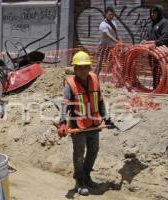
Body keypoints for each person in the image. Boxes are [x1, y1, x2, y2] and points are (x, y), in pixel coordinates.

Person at [58, 51, 112, 195]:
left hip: (94, 123)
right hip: (78, 125)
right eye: (79, 68)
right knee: (79, 154)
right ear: (74, 69)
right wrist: (63, 123)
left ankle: (87, 176)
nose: (82, 70)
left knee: (93, 151)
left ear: (89, 68)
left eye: (85, 67)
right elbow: (64, 104)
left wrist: (106, 117)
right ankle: (79, 181)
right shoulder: (70, 84)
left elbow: (100, 100)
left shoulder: (94, 79)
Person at [141, 5, 168, 89]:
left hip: (162, 52)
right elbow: (150, 37)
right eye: (151, 12)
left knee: (164, 71)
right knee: (155, 71)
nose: (152, 14)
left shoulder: (164, 22)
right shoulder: (152, 24)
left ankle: (163, 89)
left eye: (154, 12)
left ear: (159, 12)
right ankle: (156, 88)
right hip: (153, 53)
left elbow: (166, 36)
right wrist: (145, 41)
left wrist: (156, 43)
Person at [95, 6, 120, 76]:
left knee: (115, 63)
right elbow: (108, 35)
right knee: (99, 63)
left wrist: (120, 41)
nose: (111, 16)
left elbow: (116, 34)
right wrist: (116, 41)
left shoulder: (114, 23)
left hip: (112, 47)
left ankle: (116, 78)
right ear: (105, 14)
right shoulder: (103, 24)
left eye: (112, 14)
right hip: (104, 48)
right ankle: (94, 77)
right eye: (110, 14)